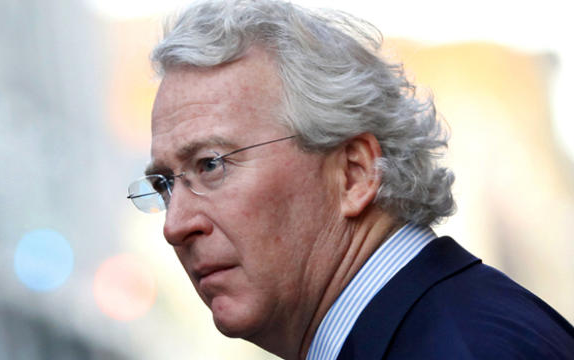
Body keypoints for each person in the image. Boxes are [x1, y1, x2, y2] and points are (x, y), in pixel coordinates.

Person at [126, 0, 574, 358]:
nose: (174, 226)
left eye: (210, 164)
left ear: (354, 174)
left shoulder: (464, 347)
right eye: (165, 184)